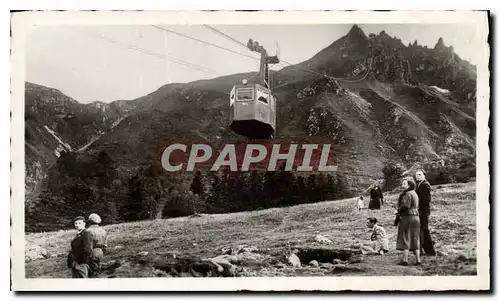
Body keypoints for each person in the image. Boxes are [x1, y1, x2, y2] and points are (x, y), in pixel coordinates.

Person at [395, 178, 421, 266]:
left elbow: (406, 206)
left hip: (407, 217)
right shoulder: (415, 193)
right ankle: (418, 260)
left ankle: (405, 260)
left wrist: (398, 210)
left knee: (406, 237)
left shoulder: (407, 194)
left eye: (404, 184)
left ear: (409, 185)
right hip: (416, 217)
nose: (402, 186)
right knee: (415, 238)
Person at [415, 170, 436, 256]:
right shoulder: (419, 184)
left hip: (423, 211)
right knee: (422, 230)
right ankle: (427, 250)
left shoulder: (425, 184)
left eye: (420, 174)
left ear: (424, 175)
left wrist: (417, 205)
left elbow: (426, 200)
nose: (418, 176)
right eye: (416, 175)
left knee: (424, 230)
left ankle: (430, 250)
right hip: (421, 211)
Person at [86, 213, 108, 277]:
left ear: (90, 221)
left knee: (91, 273)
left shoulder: (88, 231)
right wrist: (101, 252)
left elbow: (89, 246)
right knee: (97, 269)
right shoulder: (103, 231)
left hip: (92, 252)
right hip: (100, 252)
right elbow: (105, 246)